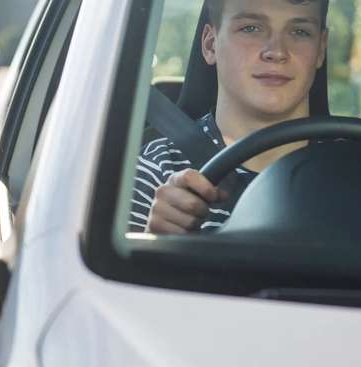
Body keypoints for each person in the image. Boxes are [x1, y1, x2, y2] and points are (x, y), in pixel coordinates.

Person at [129, 0, 330, 234]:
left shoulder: (356, 170)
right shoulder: (157, 169)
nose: (277, 52)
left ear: (321, 49)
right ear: (210, 44)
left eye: (299, 31)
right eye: (251, 28)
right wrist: (155, 240)